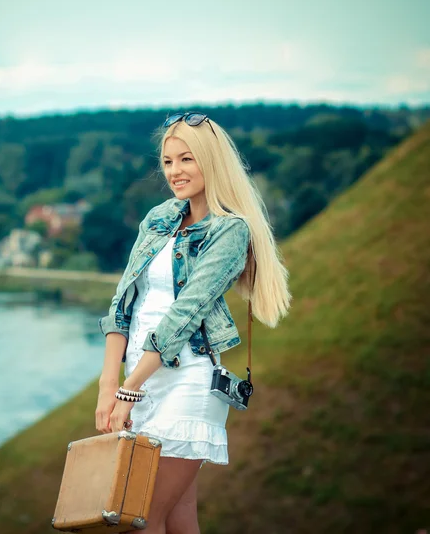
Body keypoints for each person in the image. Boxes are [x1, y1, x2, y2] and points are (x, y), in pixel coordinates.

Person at [95, 112, 291, 533]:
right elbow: (122, 302)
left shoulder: (230, 231)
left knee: (141, 518)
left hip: (186, 382)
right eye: (167, 161)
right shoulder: (160, 218)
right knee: (180, 518)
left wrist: (129, 390)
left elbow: (184, 315)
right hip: (139, 381)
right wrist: (109, 383)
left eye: (187, 159)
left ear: (211, 161)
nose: (175, 172)